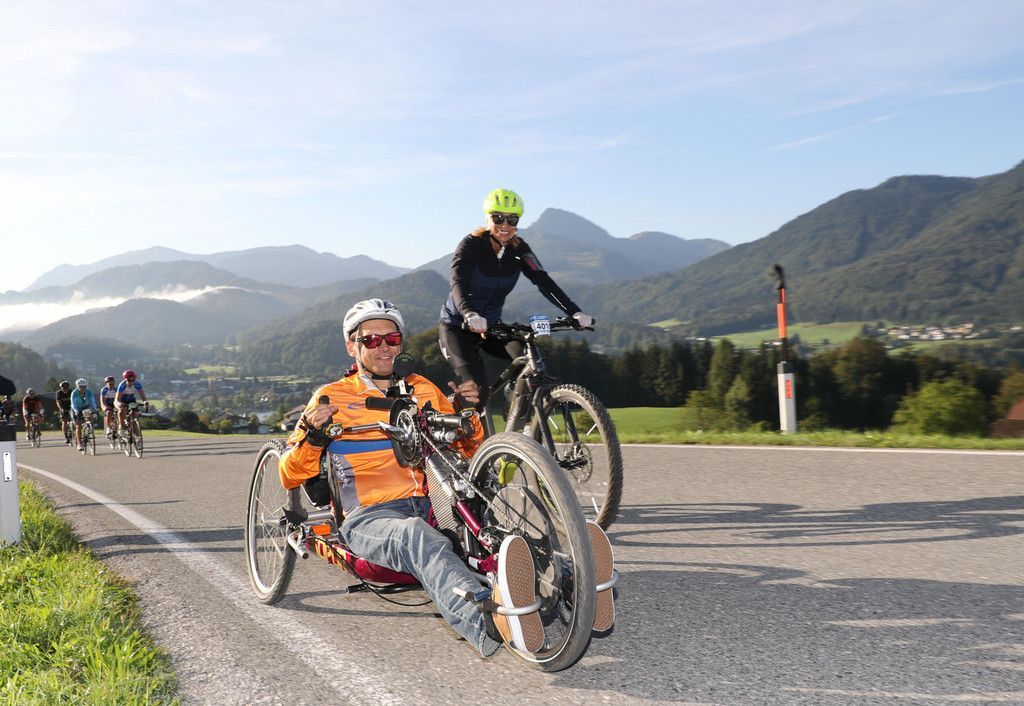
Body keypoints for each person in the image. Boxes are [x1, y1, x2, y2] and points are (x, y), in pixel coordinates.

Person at [278, 298, 546, 658]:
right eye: (371, 340)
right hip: (368, 516)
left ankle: (568, 580)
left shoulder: (422, 389)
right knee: (416, 536)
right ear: (352, 346)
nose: (384, 347)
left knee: (493, 527)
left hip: (434, 504)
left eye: (391, 339)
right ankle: (489, 623)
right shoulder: (330, 398)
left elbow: (469, 451)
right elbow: (290, 474)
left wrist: (468, 415)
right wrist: (313, 436)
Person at [439, 187, 595, 411]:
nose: (505, 225)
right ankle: (454, 420)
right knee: (477, 392)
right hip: (457, 327)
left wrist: (574, 312)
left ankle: (518, 411)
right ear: (488, 218)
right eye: (498, 218)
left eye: (512, 219)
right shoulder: (470, 245)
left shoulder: (520, 249)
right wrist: (469, 313)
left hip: (492, 327)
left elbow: (544, 282)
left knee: (532, 364)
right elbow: (458, 282)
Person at [116, 369, 147, 434]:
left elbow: (143, 396)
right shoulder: (122, 385)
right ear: (125, 379)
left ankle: (135, 432)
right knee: (122, 410)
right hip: (122, 400)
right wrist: (119, 403)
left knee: (136, 413)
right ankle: (121, 427)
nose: (131, 382)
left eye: (133, 380)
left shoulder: (137, 384)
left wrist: (145, 402)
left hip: (131, 400)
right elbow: (117, 399)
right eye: (129, 380)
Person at [70, 378, 97, 451]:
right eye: (81, 387)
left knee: (91, 415)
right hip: (77, 409)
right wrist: (76, 411)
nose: (83, 388)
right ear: (77, 386)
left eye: (84, 387)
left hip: (85, 407)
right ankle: (79, 443)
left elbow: (92, 401)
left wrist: (95, 410)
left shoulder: (89, 392)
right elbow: (73, 404)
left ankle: (89, 428)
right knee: (78, 426)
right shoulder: (74, 393)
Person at [55, 380, 73, 444]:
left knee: (74, 420)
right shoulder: (59, 393)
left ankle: (73, 432)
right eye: (64, 387)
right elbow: (58, 402)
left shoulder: (71, 392)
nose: (65, 389)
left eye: (66, 387)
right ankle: (66, 436)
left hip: (71, 407)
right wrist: (61, 409)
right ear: (61, 388)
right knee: (64, 422)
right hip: (63, 408)